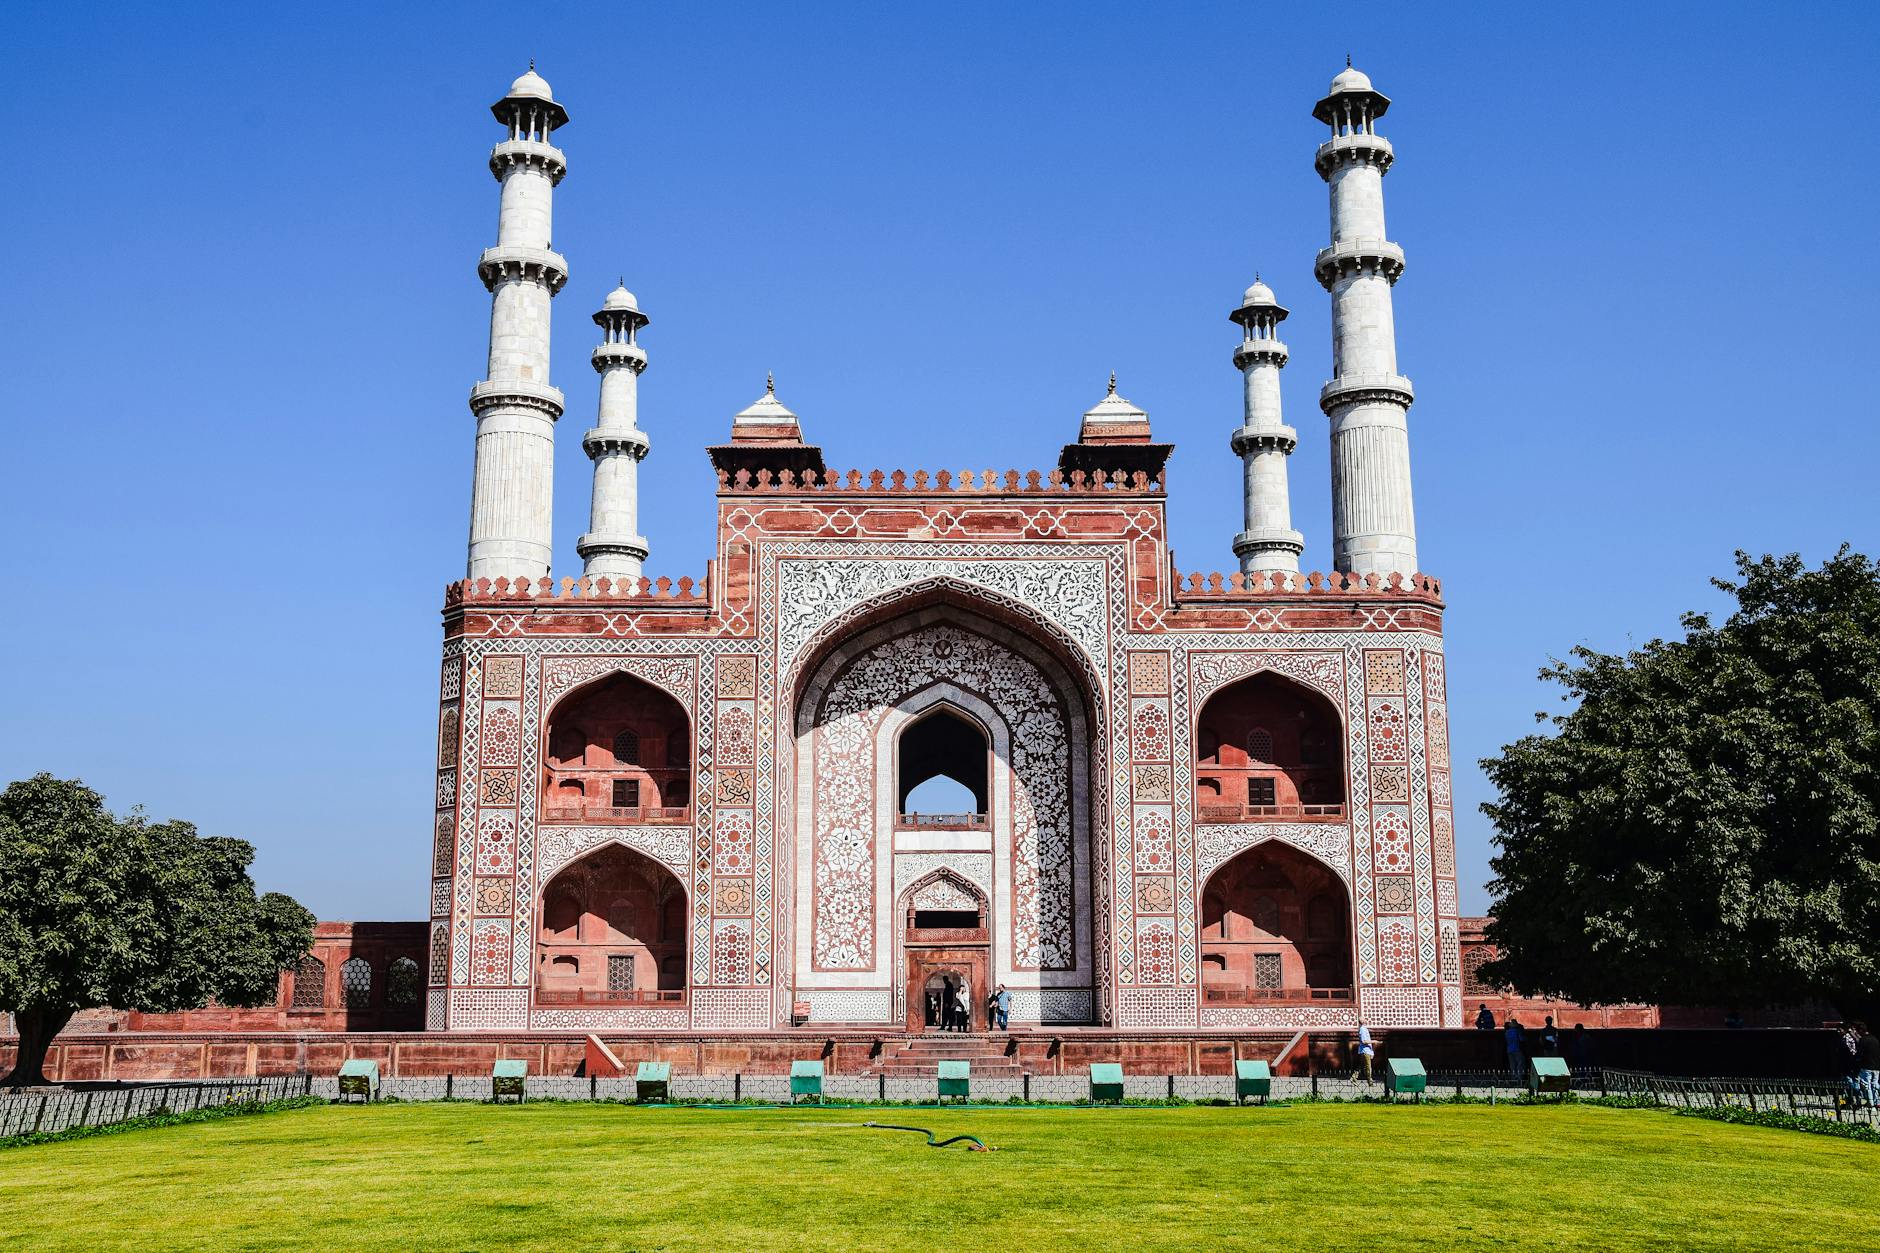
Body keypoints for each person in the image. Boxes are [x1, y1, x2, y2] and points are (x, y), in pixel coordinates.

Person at [1857, 1023, 1880, 1110]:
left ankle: (1871, 1103)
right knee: (1875, 1085)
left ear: (1861, 1030)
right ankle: (1877, 1102)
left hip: (1866, 1066)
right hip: (1876, 1066)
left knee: (1867, 1085)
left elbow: (1859, 1054)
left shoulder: (1863, 1040)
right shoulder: (1875, 1039)